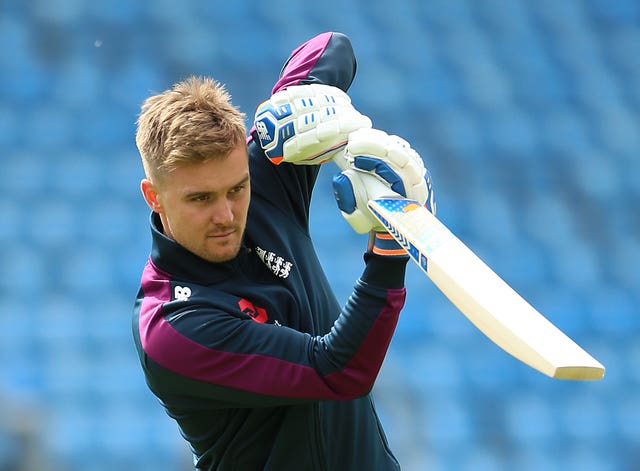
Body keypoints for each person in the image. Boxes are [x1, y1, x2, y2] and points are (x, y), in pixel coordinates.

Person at [132, 31, 435, 471]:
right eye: (201, 199)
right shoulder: (172, 329)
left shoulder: (263, 178)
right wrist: (389, 249)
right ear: (154, 196)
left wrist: (305, 104)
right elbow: (337, 370)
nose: (228, 214)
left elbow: (333, 48)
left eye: (237, 188)